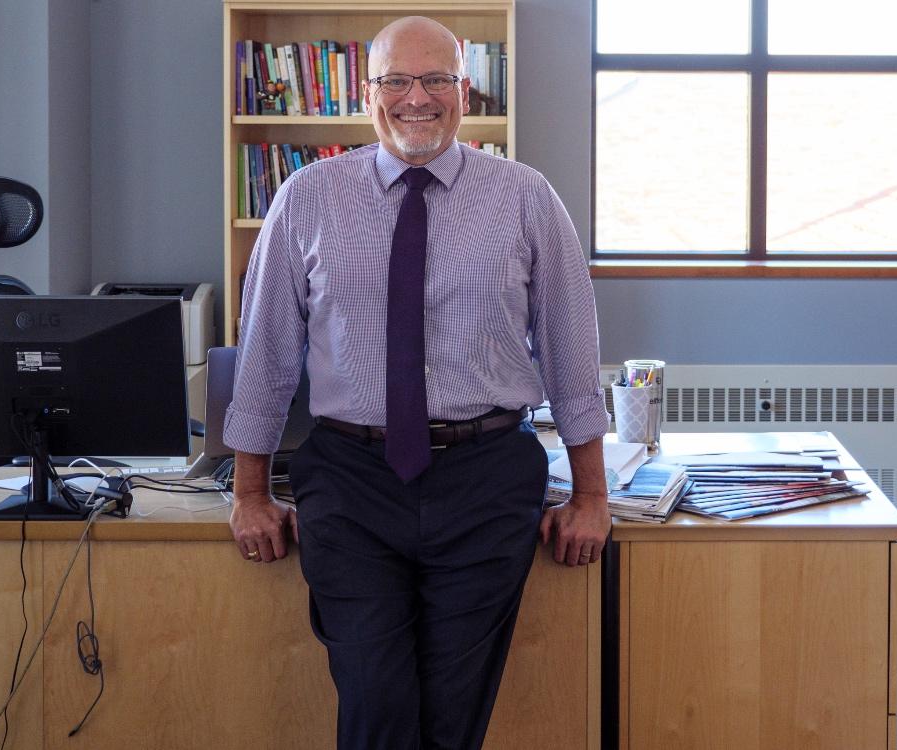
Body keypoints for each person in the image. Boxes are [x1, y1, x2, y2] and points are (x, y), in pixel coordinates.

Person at [222, 15, 611, 750]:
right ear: (366, 93)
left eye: (436, 79)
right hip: (351, 478)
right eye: (396, 80)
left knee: (454, 709)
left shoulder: (526, 197)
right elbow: (268, 355)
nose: (417, 98)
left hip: (487, 476)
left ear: (465, 91)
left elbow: (570, 350)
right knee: (376, 699)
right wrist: (249, 493)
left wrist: (592, 495)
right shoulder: (306, 197)